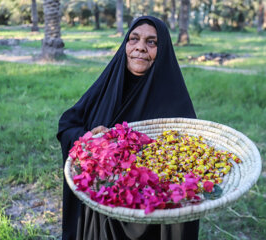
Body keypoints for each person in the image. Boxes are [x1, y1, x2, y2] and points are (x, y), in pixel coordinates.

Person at [57, 16, 199, 240]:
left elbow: (187, 162)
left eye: (151, 42)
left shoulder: (174, 101)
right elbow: (68, 124)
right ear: (125, 44)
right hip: (102, 209)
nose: (140, 47)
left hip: (149, 216)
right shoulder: (109, 84)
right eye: (134, 39)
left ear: (163, 51)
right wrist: (87, 139)